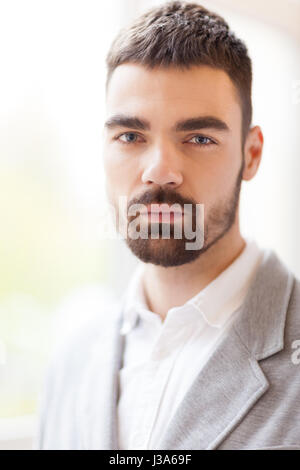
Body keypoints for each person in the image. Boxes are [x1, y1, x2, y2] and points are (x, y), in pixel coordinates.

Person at [35, 1, 300, 450]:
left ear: (250, 154)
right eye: (131, 136)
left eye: (199, 138)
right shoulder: (71, 360)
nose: (160, 170)